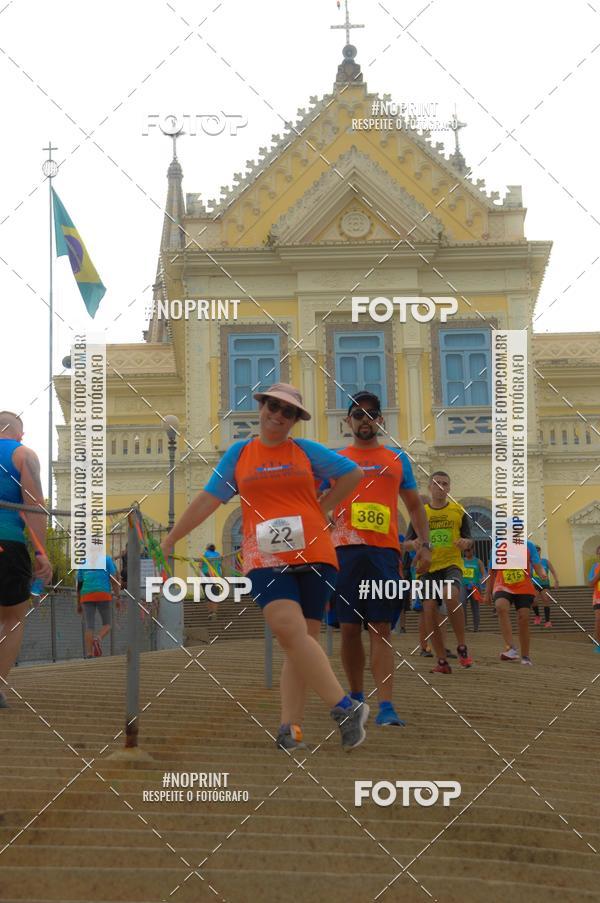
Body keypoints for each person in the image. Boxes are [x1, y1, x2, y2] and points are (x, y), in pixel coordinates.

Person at [161, 383, 367, 752]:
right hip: (264, 557)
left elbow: (352, 473)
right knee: (288, 630)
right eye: (273, 406)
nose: (278, 415)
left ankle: (291, 729)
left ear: (295, 420)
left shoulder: (305, 451)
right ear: (261, 408)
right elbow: (208, 499)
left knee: (299, 644)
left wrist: (321, 506)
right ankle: (344, 707)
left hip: (315, 551)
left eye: (288, 411)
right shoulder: (240, 454)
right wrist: (171, 538)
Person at [326, 391, 431, 727]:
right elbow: (312, 497)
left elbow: (414, 506)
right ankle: (357, 698)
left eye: (371, 414)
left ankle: (386, 705)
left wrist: (425, 544)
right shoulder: (335, 459)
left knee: (381, 628)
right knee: (348, 629)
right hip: (344, 553)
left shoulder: (396, 459)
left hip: (384, 555)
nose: (365, 419)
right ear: (348, 421)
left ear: (381, 420)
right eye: (358, 414)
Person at [0, 412, 53, 708]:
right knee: (12, 618)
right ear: (19, 434)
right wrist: (41, 553)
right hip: (7, 542)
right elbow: (34, 506)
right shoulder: (23, 454)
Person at [404, 472, 474, 674]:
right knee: (429, 610)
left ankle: (461, 646)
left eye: (445, 484)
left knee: (450, 596)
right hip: (428, 569)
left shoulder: (458, 511)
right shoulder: (420, 513)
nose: (441, 487)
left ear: (449, 488)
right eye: (437, 483)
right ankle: (441, 660)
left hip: (451, 565)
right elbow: (406, 543)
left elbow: (470, 539)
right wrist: (413, 544)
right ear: (430, 487)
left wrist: (465, 543)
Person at [484, 540, 547, 666]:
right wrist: (487, 592)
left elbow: (537, 564)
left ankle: (525, 656)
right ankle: (511, 648)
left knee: (523, 618)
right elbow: (492, 571)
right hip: (502, 584)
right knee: (500, 606)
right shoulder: (498, 546)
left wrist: (542, 573)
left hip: (523, 586)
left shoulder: (529, 545)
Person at [77, 554, 121, 657]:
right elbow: (114, 580)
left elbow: (79, 585)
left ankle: (89, 654)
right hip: (103, 594)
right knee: (108, 624)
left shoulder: (83, 562)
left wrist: (78, 603)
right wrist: (118, 597)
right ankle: (98, 638)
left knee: (89, 626)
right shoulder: (107, 559)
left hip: (86, 595)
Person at [461, 542, 486, 632]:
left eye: (468, 550)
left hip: (475, 586)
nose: (467, 552)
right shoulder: (461, 561)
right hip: (463, 585)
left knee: (475, 607)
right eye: (465, 551)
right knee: (462, 603)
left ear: (472, 550)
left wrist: (483, 578)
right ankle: (464, 625)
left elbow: (484, 574)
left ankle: (476, 627)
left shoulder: (478, 561)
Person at [532, 546, 559, 628]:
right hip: (534, 584)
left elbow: (553, 571)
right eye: (535, 551)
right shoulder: (530, 562)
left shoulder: (545, 561)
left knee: (546, 599)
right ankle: (537, 616)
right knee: (534, 600)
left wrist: (556, 580)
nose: (537, 552)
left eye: (538, 550)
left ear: (540, 551)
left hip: (545, 584)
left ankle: (547, 621)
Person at [201, 543, 223, 621]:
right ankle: (214, 613)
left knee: (208, 595)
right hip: (216, 576)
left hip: (206, 576)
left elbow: (200, 565)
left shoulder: (204, 554)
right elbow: (221, 565)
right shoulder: (218, 555)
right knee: (215, 595)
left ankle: (210, 613)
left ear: (207, 548)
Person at [587, 545, 600, 654]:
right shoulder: (595, 567)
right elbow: (590, 583)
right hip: (598, 597)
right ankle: (597, 644)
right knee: (598, 619)